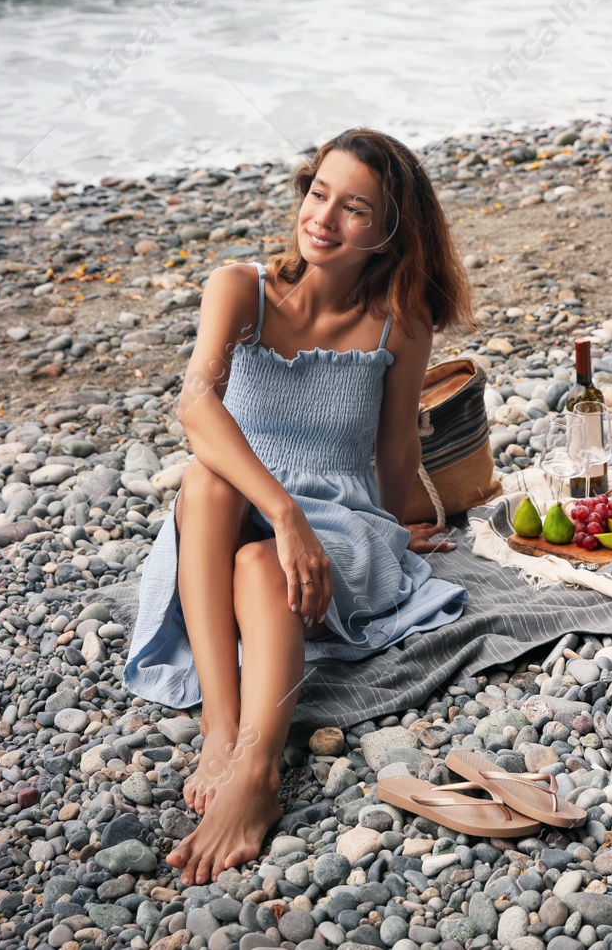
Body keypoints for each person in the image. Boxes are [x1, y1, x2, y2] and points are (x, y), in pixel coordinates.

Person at [123, 128, 474, 884]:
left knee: (258, 562)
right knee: (207, 480)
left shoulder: (400, 323)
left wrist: (404, 527)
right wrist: (285, 517)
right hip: (246, 503)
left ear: (387, 232)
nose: (323, 216)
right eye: (320, 192)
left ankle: (257, 770)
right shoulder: (240, 289)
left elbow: (393, 454)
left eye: (355, 208)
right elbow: (195, 405)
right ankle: (223, 726)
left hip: (340, 516)